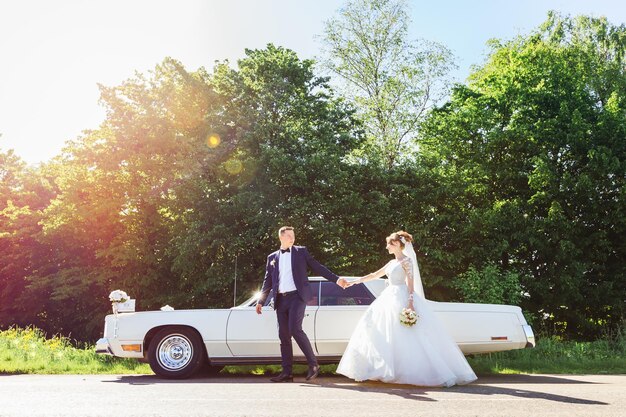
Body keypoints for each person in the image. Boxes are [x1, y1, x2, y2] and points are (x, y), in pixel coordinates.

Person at [336, 230, 477, 387]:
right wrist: (354, 281)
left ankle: (417, 372)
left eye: (388, 244)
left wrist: (410, 303)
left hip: (401, 296)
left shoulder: (407, 261)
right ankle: (386, 370)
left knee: (408, 335)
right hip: (388, 298)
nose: (386, 247)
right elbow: (374, 275)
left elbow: (411, 283)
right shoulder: (391, 263)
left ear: (396, 244)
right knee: (383, 331)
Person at [256, 226, 348, 382]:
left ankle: (313, 365)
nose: (293, 238)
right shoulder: (272, 257)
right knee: (283, 336)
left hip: (297, 297)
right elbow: (268, 280)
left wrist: (337, 279)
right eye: (289, 236)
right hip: (280, 300)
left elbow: (318, 267)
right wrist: (260, 301)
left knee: (295, 329)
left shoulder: (301, 252)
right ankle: (287, 373)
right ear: (281, 237)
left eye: (293, 235)